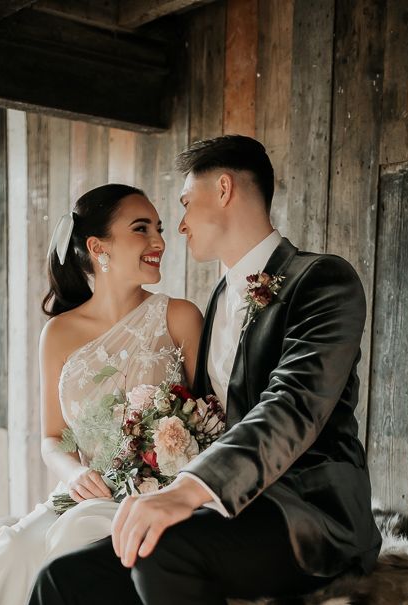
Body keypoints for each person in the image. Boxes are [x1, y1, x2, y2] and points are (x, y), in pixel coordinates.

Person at [29, 136, 382, 605]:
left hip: (310, 511)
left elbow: (292, 407)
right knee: (62, 578)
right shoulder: (215, 302)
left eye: (184, 203)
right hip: (225, 513)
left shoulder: (321, 280)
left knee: (161, 552)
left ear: (222, 189)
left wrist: (186, 491)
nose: (178, 225)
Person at [0, 184, 203, 605]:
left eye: (158, 228)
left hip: (155, 494)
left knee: (75, 538)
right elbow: (52, 438)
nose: (159, 241)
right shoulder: (58, 333)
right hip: (87, 489)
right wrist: (73, 475)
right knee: (14, 548)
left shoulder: (179, 317)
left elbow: (210, 417)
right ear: (97, 247)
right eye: (141, 229)